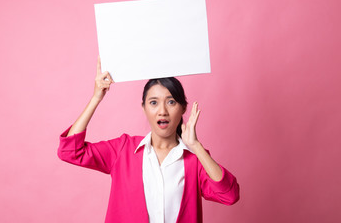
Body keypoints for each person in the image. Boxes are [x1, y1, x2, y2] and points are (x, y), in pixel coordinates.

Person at [58, 56, 240, 223]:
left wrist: (196, 146)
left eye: (171, 102)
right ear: (143, 107)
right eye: (153, 102)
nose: (162, 111)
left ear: (183, 108)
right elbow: (70, 152)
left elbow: (229, 195)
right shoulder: (123, 150)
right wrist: (96, 97)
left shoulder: (195, 159)